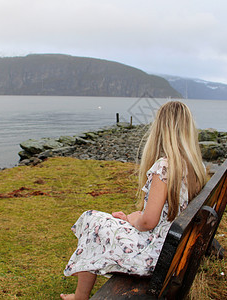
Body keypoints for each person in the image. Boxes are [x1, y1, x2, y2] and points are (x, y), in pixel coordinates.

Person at [60, 101, 207, 300]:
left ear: (161, 129)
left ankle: (80, 294)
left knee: (91, 220)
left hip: (154, 255)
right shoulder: (196, 167)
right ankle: (83, 279)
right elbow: (161, 215)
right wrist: (132, 217)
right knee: (98, 221)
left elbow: (148, 222)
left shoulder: (164, 166)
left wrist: (131, 220)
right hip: (172, 248)